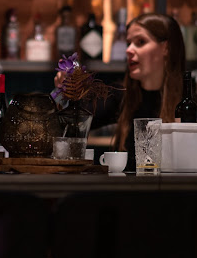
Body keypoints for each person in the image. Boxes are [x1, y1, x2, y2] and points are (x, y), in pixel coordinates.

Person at [55, 12, 185, 170]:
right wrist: (69, 94)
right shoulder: (121, 96)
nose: (129, 50)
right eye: (128, 43)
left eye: (140, 42)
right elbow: (70, 126)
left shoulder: (187, 105)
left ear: (166, 48)